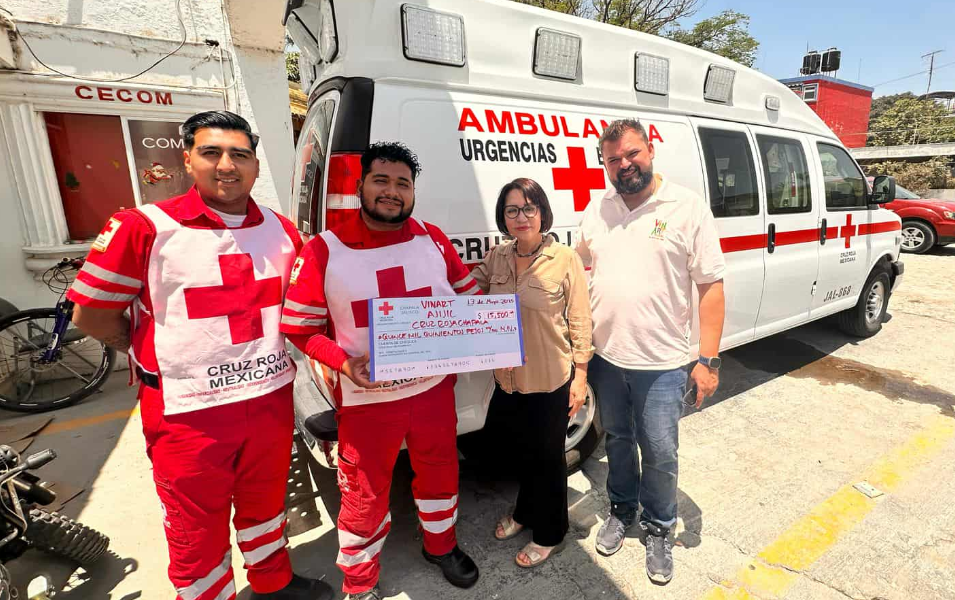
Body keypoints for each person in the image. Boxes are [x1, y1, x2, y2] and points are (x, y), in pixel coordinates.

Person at [68, 110, 333, 600]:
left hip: (269, 397)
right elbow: (92, 315)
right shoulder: (143, 227)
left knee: (265, 504)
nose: (227, 165)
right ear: (188, 159)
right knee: (195, 528)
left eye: (240, 155)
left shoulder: (280, 229)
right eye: (212, 152)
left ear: (255, 166)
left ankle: (273, 582)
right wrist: (145, 352)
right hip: (188, 412)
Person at [279, 142, 481, 600]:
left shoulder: (433, 238)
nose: (392, 191)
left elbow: (469, 297)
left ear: (413, 192)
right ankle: (360, 581)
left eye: (402, 184)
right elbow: (300, 329)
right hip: (368, 401)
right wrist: (343, 363)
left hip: (432, 392)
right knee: (363, 495)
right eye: (381, 181)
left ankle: (441, 546)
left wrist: (491, 329)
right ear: (360, 187)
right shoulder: (324, 250)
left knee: (440, 473)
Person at [576, 119, 726, 584]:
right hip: (606, 358)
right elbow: (579, 267)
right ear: (604, 164)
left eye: (632, 154)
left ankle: (660, 526)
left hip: (662, 364)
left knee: (659, 450)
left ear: (650, 150)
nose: (624, 165)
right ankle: (622, 510)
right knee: (618, 441)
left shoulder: (686, 206)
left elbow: (711, 286)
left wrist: (708, 360)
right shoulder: (597, 208)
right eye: (613, 159)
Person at [471, 178, 593, 568]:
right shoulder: (497, 257)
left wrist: (581, 375)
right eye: (512, 210)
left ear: (542, 212)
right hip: (508, 379)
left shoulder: (564, 259)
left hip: (549, 379)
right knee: (522, 453)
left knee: (548, 458)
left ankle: (550, 532)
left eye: (529, 208)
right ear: (503, 217)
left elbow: (580, 319)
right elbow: (465, 294)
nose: (521, 216)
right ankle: (525, 511)